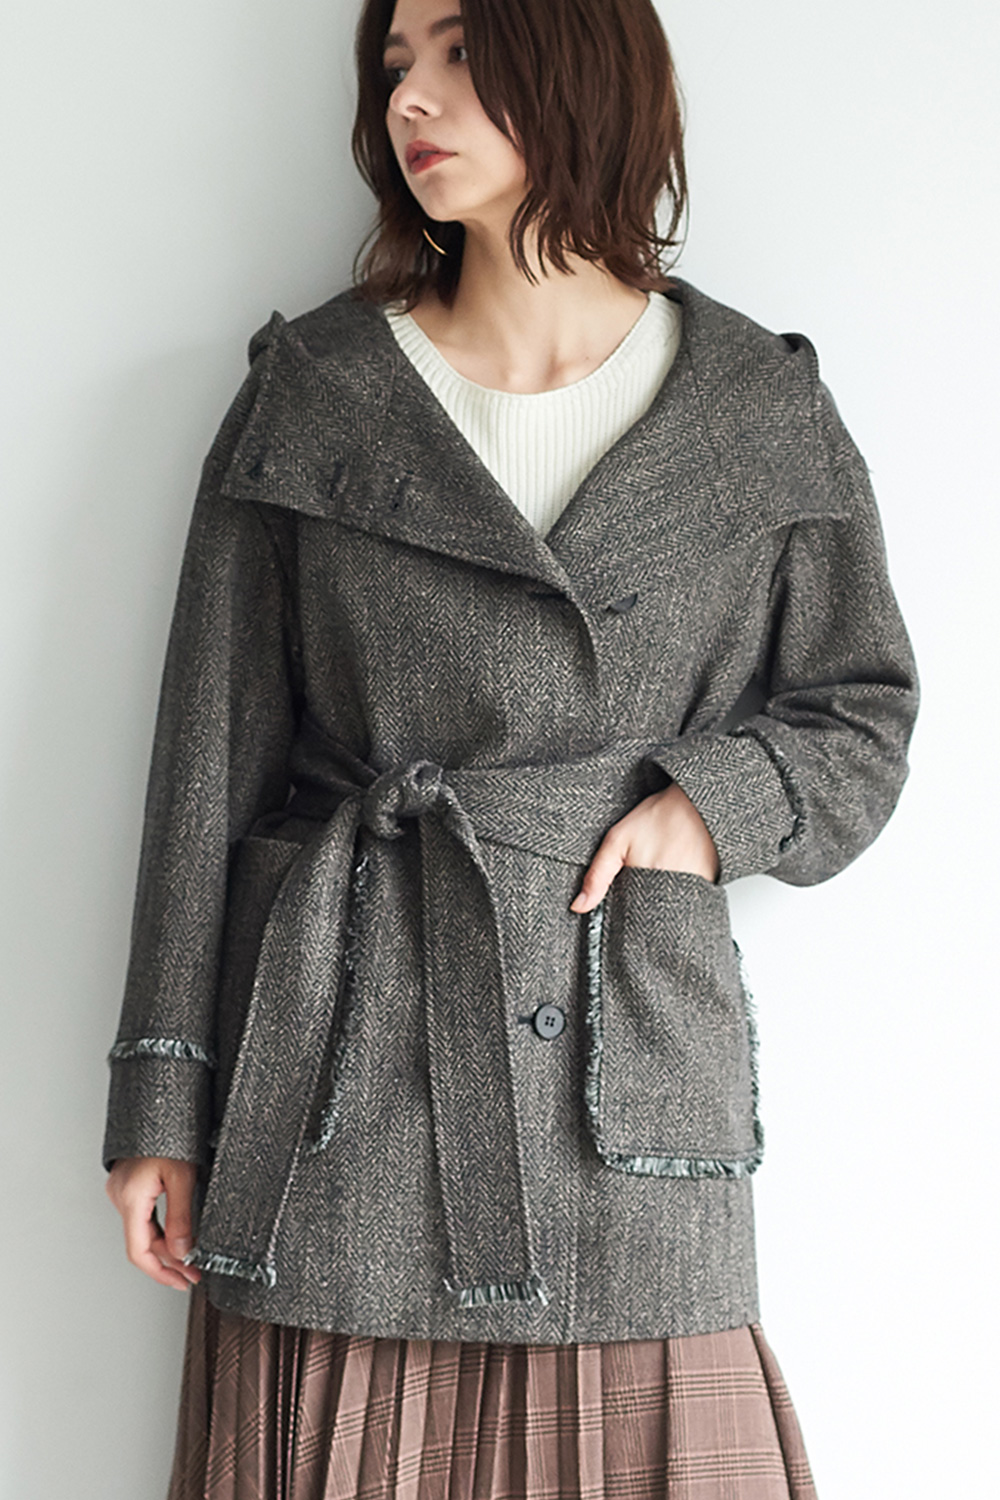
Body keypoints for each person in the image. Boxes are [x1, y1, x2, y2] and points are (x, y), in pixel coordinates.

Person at [103, 0, 919, 1494]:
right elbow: (205, 765)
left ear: (582, 59)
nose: (412, 98)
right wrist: (161, 1095)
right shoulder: (315, 393)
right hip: (338, 1073)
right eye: (395, 65)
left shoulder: (755, 405)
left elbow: (861, 712)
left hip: (628, 1073)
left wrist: (706, 806)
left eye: (461, 51)